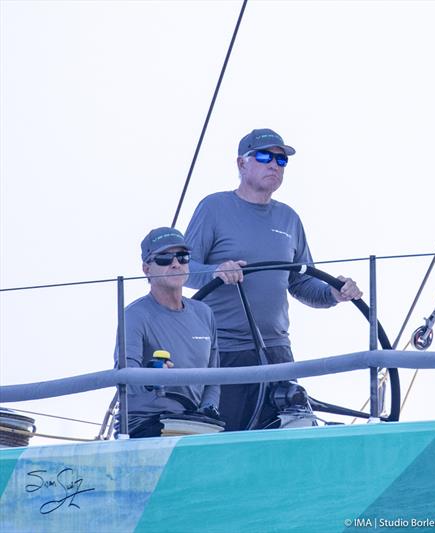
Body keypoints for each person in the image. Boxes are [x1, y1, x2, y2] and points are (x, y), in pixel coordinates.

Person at [184, 128, 362, 431]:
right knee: (225, 443)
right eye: (265, 156)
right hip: (223, 352)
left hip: (278, 351)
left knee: (287, 442)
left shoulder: (289, 219)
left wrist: (334, 293)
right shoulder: (213, 207)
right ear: (241, 164)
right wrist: (216, 272)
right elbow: (182, 271)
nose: (274, 165)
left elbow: (302, 283)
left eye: (281, 160)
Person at [114, 227, 220, 438]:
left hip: (195, 424)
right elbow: (125, 376)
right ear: (146, 268)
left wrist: (208, 410)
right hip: (145, 425)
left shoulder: (204, 313)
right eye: (164, 258)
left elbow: (214, 377)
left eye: (182, 257)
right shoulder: (134, 315)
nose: (175, 263)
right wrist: (152, 377)